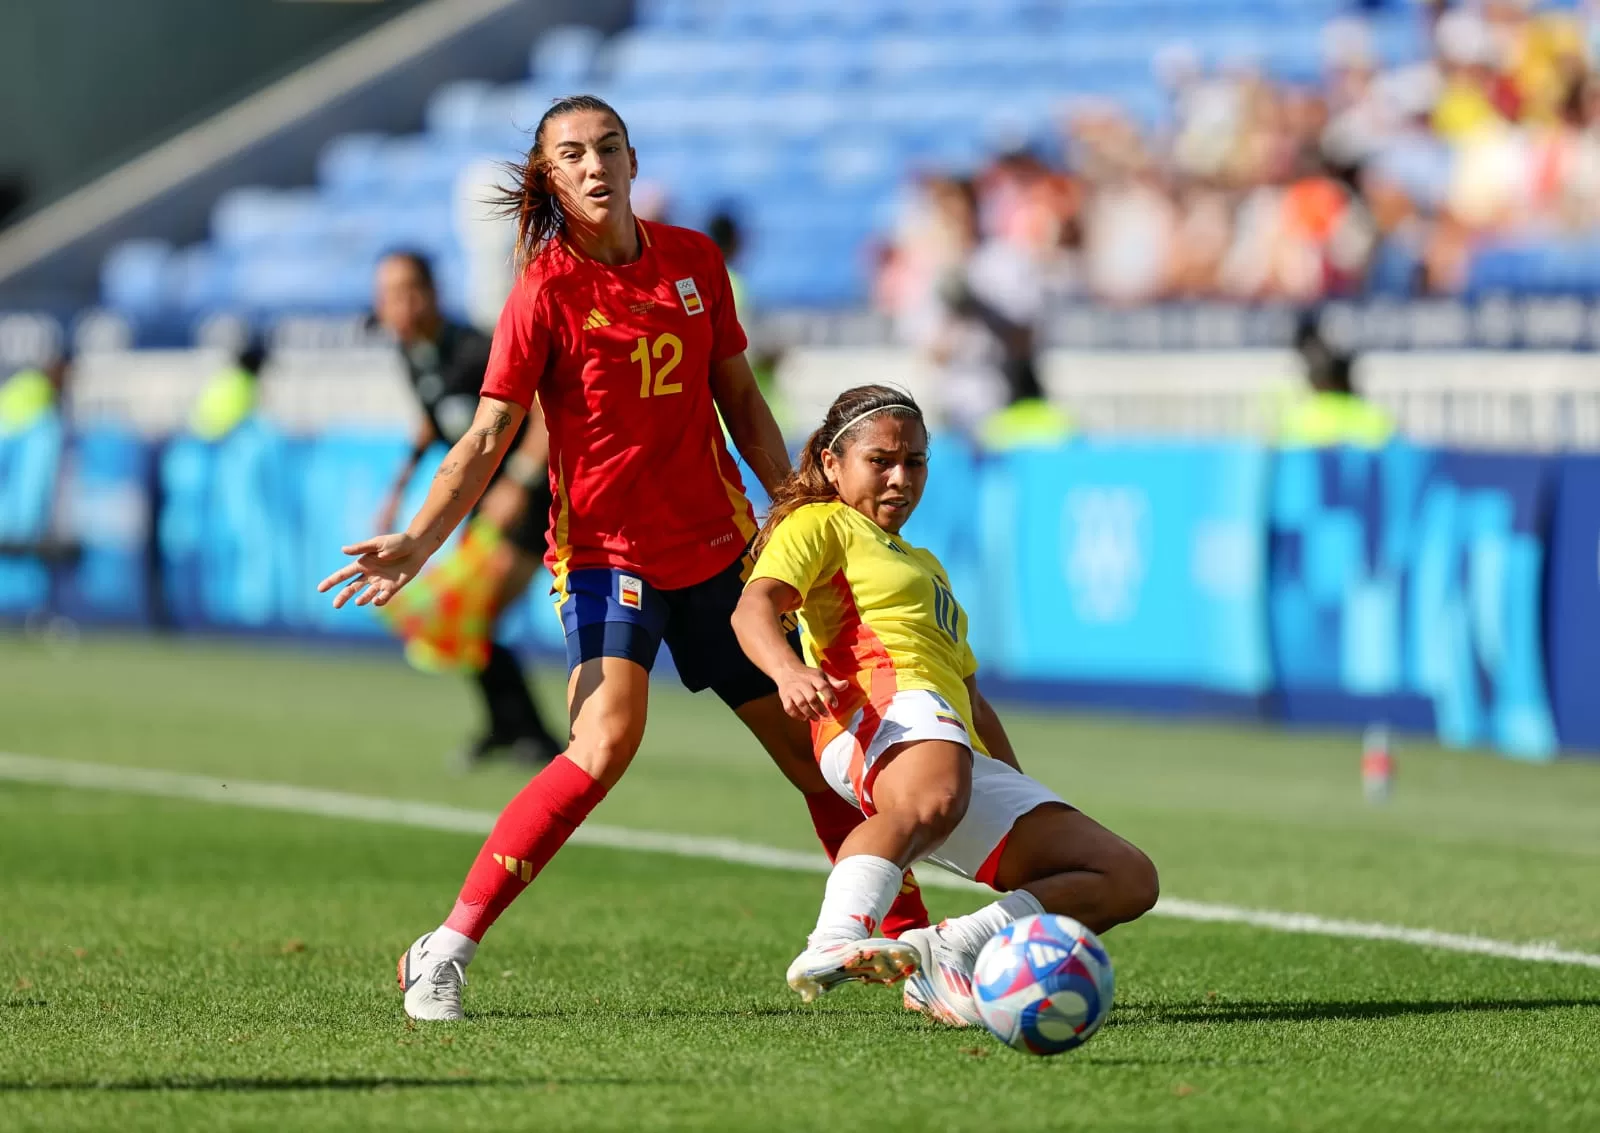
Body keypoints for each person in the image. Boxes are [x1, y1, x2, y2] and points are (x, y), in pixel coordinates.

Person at [318, 95, 928, 1020]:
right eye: (574, 154)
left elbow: (743, 403)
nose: (596, 165)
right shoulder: (543, 293)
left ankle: (912, 951)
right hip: (609, 558)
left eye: (609, 147)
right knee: (603, 746)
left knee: (824, 763)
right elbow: (487, 438)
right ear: (550, 177)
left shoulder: (693, 261)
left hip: (723, 555)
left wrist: (800, 508)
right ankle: (443, 949)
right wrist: (419, 541)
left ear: (634, 159)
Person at [731, 385, 1158, 1025]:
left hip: (943, 730)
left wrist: (1016, 782)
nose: (901, 478)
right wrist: (788, 671)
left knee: (1123, 877)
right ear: (830, 464)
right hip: (878, 710)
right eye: (881, 461)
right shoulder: (821, 523)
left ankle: (949, 949)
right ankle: (833, 939)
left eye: (916, 462)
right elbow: (754, 607)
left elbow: (972, 696)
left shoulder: (926, 565)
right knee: (928, 800)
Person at [371, 249, 566, 768]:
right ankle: (514, 730)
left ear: (433, 292)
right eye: (389, 294)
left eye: (409, 289)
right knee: (465, 619)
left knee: (473, 614)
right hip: (484, 500)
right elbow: (437, 418)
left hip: (535, 495)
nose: (400, 304)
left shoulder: (478, 346)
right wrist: (401, 483)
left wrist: (520, 481)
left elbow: (546, 405)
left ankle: (534, 737)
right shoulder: (412, 353)